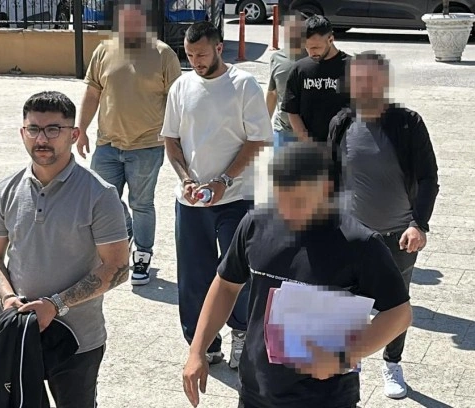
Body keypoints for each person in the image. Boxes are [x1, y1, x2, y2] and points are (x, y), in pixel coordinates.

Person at [182, 142, 413, 408]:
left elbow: (399, 313)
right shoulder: (256, 223)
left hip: (326, 398)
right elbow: (226, 285)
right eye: (281, 199)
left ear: (326, 189)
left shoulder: (359, 243)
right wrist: (197, 350)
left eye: (299, 201)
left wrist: (344, 355)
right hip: (255, 390)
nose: (287, 211)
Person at [0, 91, 130, 407]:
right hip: (20, 333)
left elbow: (117, 268)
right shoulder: (6, 189)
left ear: (74, 135)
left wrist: (55, 304)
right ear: (22, 132)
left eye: (53, 129)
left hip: (77, 341)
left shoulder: (99, 194)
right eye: (33, 129)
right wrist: (7, 297)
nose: (41, 139)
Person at [329, 51, 439, 399]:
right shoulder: (342, 123)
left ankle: (392, 363)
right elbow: (331, 177)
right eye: (357, 80)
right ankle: (350, 361)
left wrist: (419, 224)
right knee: (347, 302)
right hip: (352, 236)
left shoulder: (408, 123)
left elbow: (428, 178)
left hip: (398, 236)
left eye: (370, 80)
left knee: (395, 305)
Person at [161, 21, 271, 369]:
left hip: (239, 197)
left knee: (241, 272)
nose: (195, 61)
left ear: (219, 48)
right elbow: (171, 140)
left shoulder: (244, 85)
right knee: (194, 275)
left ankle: (243, 334)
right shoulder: (181, 87)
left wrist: (224, 179)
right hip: (192, 201)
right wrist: (185, 179)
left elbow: (258, 140)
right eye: (189, 55)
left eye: (201, 55)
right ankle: (203, 342)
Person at [77, 0, 182, 285]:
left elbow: (178, 101)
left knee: (142, 203)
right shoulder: (104, 51)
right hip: (108, 144)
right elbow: (92, 93)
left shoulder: (163, 54)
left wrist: (178, 139)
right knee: (102, 200)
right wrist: (81, 128)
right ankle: (124, 234)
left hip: (147, 146)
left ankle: (142, 255)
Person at [281, 15, 350, 142]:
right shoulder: (300, 69)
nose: (311, 53)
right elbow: (292, 110)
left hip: (346, 146)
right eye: (307, 47)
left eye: (315, 47)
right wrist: (307, 141)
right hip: (311, 148)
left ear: (330, 39)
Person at [267, 12, 307, 151]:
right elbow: (273, 93)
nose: (293, 33)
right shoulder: (276, 58)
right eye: (289, 29)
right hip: (282, 131)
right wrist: (264, 125)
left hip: (309, 133)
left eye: (297, 29)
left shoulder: (315, 58)